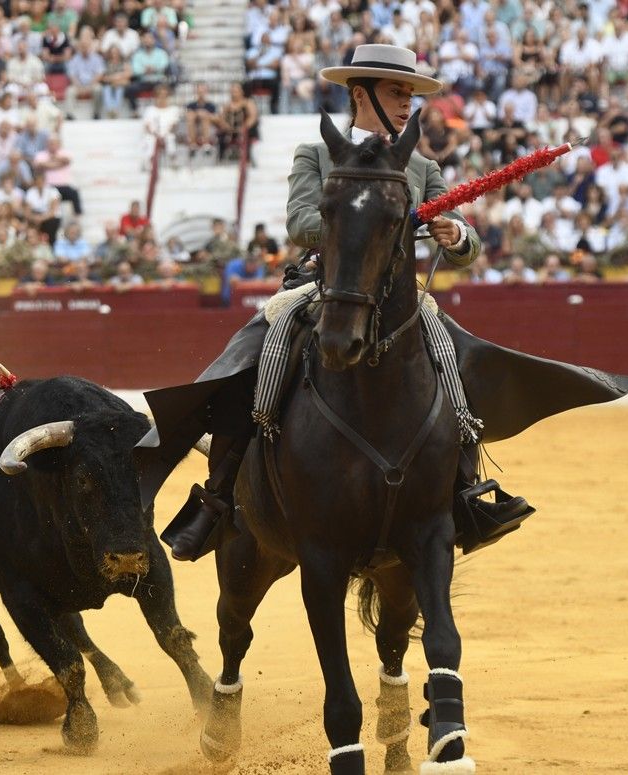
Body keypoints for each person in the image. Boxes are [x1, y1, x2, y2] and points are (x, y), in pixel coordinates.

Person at [143, 45, 541, 563]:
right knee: (253, 352)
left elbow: (467, 248)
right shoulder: (316, 154)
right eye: (398, 91)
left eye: (411, 93)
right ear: (361, 93)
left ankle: (467, 492)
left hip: (397, 302)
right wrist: (379, 219)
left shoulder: (419, 164)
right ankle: (218, 498)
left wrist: (456, 233)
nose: (407, 103)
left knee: (450, 356)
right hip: (325, 288)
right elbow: (301, 222)